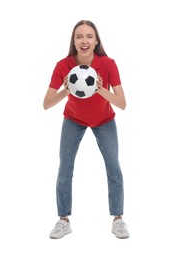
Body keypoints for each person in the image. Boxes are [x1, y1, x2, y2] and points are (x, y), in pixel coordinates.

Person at [43, 20, 129, 239]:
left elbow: (121, 103)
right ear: (74, 41)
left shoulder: (108, 64)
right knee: (65, 168)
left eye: (89, 36)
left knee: (113, 166)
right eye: (79, 36)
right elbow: (46, 103)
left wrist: (99, 89)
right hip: (73, 119)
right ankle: (63, 220)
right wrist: (66, 89)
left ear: (96, 40)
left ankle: (118, 219)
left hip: (104, 119)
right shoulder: (63, 65)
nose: (84, 41)